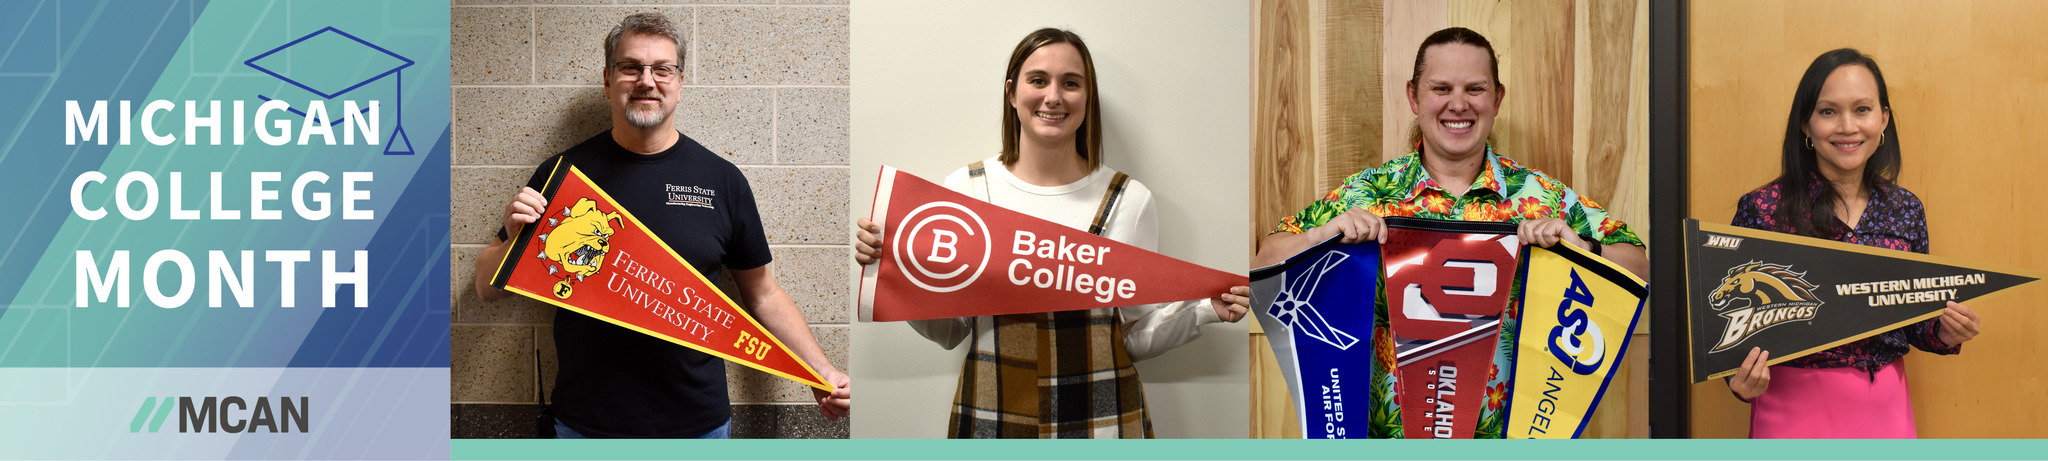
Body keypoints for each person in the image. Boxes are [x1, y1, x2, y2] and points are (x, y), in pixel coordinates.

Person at [850, 28, 1251, 439]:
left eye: (1071, 83)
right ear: (1012, 92)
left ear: (1087, 96)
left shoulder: (1129, 200)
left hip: (1102, 417)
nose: (1054, 96)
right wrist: (893, 269)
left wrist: (1204, 311)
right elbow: (952, 331)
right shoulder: (968, 190)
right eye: (1038, 80)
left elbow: (1130, 337)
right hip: (992, 412)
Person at [1252, 27, 1647, 438]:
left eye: (1475, 89)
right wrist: (1323, 236)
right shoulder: (1370, 192)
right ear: (1413, 97)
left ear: (1497, 99)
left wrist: (1582, 246)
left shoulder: (1540, 196)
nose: (1458, 104)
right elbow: (1266, 260)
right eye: (1441, 87)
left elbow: (1639, 264)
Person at [471, 13, 850, 439]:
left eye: (662, 69)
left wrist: (822, 371)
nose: (646, 81)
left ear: (680, 83)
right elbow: (486, 287)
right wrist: (515, 239)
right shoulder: (562, 174)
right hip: (584, 425)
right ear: (607, 79)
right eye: (631, 67)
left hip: (697, 427)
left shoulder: (722, 181)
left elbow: (763, 295)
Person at [1722, 48, 1980, 439]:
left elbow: (1912, 320)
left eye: (1862, 109)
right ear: (1806, 125)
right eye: (1828, 112)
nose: (1847, 126)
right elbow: (1727, 332)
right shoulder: (1763, 211)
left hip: (1887, 409)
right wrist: (1736, 380)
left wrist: (1944, 332)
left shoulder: (1905, 209)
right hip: (1791, 408)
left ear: (1883, 119)